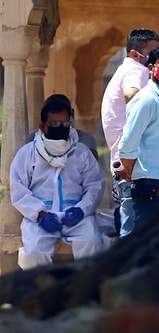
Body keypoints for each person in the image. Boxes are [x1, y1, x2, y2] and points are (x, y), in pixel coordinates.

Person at [10, 94, 110, 270]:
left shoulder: (82, 153)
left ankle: (84, 293)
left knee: (92, 243)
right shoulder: (27, 154)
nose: (60, 128)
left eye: (64, 124)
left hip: (76, 216)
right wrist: (40, 214)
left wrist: (82, 209)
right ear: (43, 126)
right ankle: (42, 294)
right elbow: (19, 190)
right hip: (40, 219)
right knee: (33, 253)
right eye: (55, 125)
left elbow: (94, 185)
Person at [118, 45, 159, 233]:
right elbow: (128, 143)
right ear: (150, 68)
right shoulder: (147, 99)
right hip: (150, 188)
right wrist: (131, 174)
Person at [101, 28, 159, 238]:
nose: (158, 58)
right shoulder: (136, 71)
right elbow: (131, 94)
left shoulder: (126, 70)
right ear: (136, 54)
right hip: (134, 165)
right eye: (153, 53)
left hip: (130, 162)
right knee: (135, 231)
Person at [28, 94, 98, 160]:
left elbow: (93, 168)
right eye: (54, 123)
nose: (59, 127)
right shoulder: (32, 141)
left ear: (71, 115)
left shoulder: (85, 141)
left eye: (64, 122)